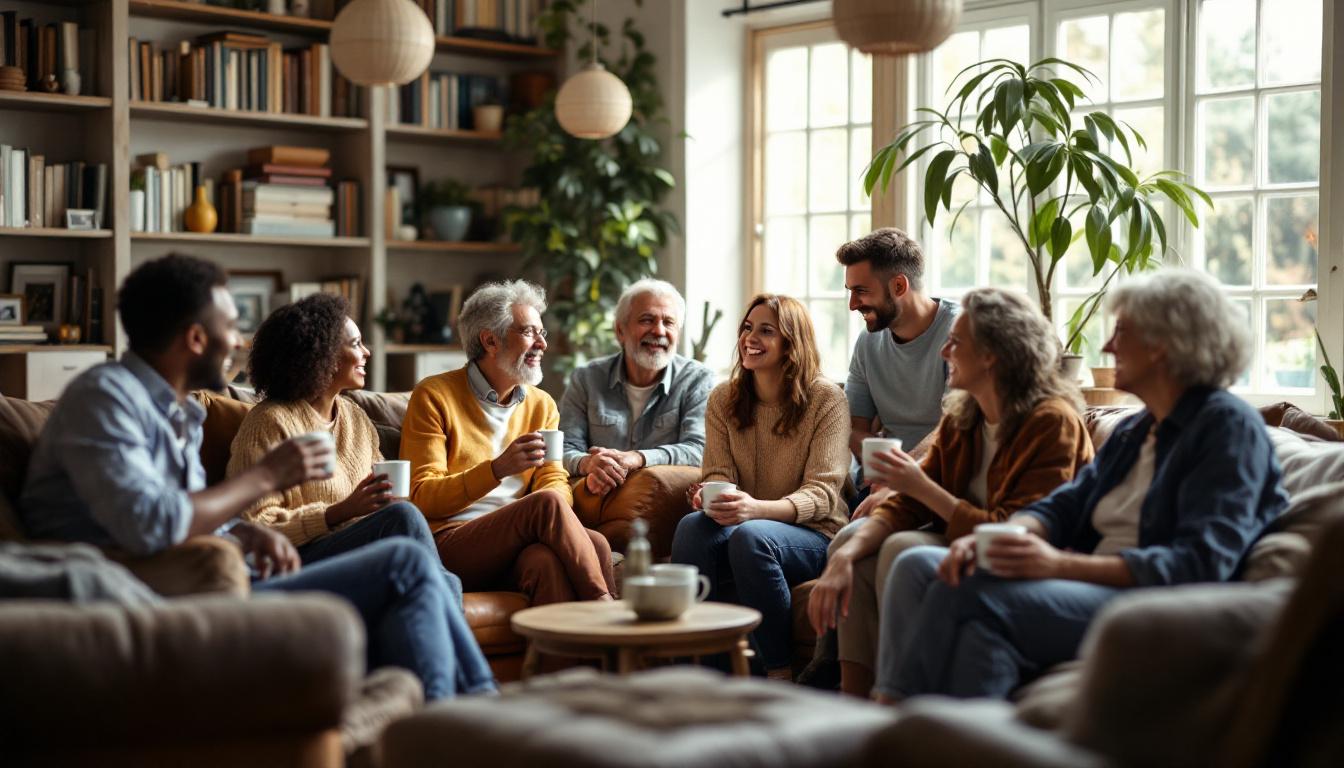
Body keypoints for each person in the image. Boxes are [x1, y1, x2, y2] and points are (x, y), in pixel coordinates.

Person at [19, 254, 493, 700]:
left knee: (406, 570)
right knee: (404, 563)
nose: (240, 342)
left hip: (221, 576)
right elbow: (150, 523)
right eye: (229, 326)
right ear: (196, 339)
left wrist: (242, 532)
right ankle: (464, 718)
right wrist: (266, 478)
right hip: (152, 591)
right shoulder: (105, 399)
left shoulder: (176, 411)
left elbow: (185, 513)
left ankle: (453, 721)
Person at [874, 269, 1288, 702]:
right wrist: (1006, 538)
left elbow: (1199, 564)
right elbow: (1065, 506)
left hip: (1154, 605)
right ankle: (973, 742)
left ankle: (889, 717)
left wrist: (1054, 565)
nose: (1108, 347)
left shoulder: (1226, 428)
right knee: (928, 571)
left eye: (1122, 331)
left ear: (1165, 344)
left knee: (972, 593)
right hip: (1091, 586)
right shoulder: (1138, 429)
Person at [806, 288, 1094, 697]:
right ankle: (856, 699)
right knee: (862, 547)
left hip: (1017, 554)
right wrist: (845, 557)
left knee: (902, 548)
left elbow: (1014, 532)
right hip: (963, 536)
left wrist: (920, 485)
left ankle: (899, 696)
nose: (944, 353)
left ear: (992, 355)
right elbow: (905, 505)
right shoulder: (965, 414)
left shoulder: (1051, 423)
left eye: (956, 343)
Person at [225, 293, 493, 692]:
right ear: (324, 356)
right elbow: (252, 526)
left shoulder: (355, 419)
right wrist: (338, 513)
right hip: (298, 558)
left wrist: (383, 505)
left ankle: (451, 706)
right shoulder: (270, 422)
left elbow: (377, 506)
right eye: (355, 344)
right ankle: (480, 694)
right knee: (408, 529)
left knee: (408, 535)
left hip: (363, 551)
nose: (367, 352)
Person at [670, 294, 850, 680]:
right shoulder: (724, 398)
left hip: (815, 532)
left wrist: (755, 509)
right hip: (749, 521)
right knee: (692, 528)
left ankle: (778, 674)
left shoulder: (826, 399)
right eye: (748, 328)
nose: (751, 338)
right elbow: (717, 471)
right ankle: (698, 667)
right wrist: (712, 496)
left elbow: (823, 494)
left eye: (767, 331)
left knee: (751, 537)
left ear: (791, 343)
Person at [401, 280, 615, 604]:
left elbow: (554, 480)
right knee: (546, 506)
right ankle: (606, 609)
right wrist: (497, 470)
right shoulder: (434, 396)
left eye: (542, 333)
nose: (542, 343)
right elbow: (422, 496)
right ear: (490, 341)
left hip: (513, 539)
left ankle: (568, 655)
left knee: (572, 552)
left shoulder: (542, 404)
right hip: (448, 541)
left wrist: (528, 517)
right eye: (530, 332)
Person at [837, 228, 960, 518]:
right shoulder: (868, 342)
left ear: (899, 286)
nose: (853, 304)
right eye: (850, 292)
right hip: (878, 485)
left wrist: (898, 475)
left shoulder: (961, 333)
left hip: (941, 482)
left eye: (861, 291)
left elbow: (955, 426)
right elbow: (851, 426)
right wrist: (881, 464)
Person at [559, 278, 714, 496]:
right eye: (647, 320)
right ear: (620, 330)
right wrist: (588, 463)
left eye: (669, 322)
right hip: (598, 500)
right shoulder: (586, 378)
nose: (659, 331)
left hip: (660, 503)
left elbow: (700, 450)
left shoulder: (697, 379)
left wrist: (638, 458)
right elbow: (562, 448)